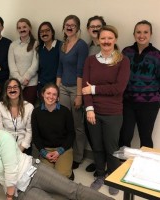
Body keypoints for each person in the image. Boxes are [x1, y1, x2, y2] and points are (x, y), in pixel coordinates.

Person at [0, 113, 114, 200]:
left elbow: (10, 169)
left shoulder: (3, 137)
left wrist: (9, 197)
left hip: (34, 171)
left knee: (73, 190)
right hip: (21, 190)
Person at [82, 25, 130, 195]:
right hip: (93, 111)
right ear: (98, 40)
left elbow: (118, 88)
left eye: (110, 38)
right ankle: (101, 176)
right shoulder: (90, 61)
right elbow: (84, 89)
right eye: (103, 38)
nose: (106, 41)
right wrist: (89, 109)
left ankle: (113, 178)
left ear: (115, 39)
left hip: (113, 113)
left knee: (111, 147)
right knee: (97, 146)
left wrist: (94, 89)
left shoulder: (123, 61)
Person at [119, 20, 160, 149]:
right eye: (138, 32)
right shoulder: (126, 52)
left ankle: (145, 168)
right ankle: (121, 166)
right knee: (124, 136)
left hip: (149, 104)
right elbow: (119, 75)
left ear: (151, 34)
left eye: (145, 32)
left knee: (146, 138)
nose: (141, 35)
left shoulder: (157, 55)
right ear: (134, 34)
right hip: (127, 102)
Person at [56, 15, 88, 170]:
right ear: (64, 27)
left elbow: (80, 71)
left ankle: (78, 156)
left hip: (76, 88)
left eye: (72, 25)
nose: (69, 27)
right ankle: (65, 153)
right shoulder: (63, 44)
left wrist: (79, 95)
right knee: (63, 122)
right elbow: (60, 68)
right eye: (67, 24)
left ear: (77, 27)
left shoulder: (81, 46)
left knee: (77, 125)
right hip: (62, 88)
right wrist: (56, 90)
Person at [31, 83, 75, 179]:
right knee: (47, 177)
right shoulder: (36, 112)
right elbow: (36, 136)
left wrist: (59, 151)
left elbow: (71, 134)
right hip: (46, 149)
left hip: (63, 148)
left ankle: (68, 171)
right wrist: (44, 153)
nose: (51, 96)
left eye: (54, 94)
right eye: (48, 93)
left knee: (61, 177)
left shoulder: (65, 111)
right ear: (43, 94)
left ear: (58, 97)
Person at [85, 16, 107, 174]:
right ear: (88, 29)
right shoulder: (85, 47)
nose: (95, 28)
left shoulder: (108, 46)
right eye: (92, 26)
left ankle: (106, 163)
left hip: (104, 98)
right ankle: (98, 161)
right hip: (88, 96)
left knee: (106, 135)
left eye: (99, 26)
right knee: (91, 131)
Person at [0, 78, 33, 155]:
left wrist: (20, 149)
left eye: (15, 87)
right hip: (5, 146)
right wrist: (8, 149)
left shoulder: (29, 107)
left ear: (20, 90)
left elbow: (29, 131)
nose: (12, 90)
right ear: (6, 91)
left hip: (24, 146)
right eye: (9, 87)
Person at [8, 18, 38, 105]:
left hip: (31, 83)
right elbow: (11, 65)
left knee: (28, 110)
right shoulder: (13, 45)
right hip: (15, 84)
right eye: (19, 28)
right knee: (15, 109)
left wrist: (26, 77)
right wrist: (20, 80)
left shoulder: (35, 43)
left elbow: (35, 64)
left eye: (24, 27)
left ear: (30, 28)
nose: (22, 29)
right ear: (17, 29)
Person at [36, 22, 61, 97]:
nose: (44, 33)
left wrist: (58, 87)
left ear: (52, 32)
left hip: (57, 86)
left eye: (47, 30)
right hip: (43, 87)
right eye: (42, 32)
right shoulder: (39, 49)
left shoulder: (61, 46)